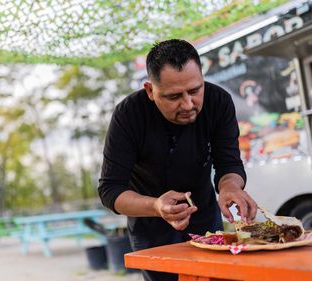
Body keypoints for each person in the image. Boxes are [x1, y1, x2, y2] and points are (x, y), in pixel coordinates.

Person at [98, 39, 259, 281]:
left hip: (205, 218)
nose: (188, 104)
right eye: (174, 96)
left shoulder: (219, 102)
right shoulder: (128, 115)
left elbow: (229, 164)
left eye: (195, 91)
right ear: (150, 90)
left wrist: (230, 188)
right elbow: (110, 190)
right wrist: (156, 206)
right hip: (150, 227)